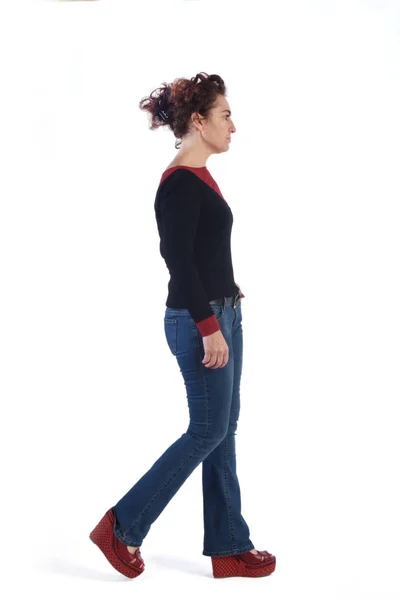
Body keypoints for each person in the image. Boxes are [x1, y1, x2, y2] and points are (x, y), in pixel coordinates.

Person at [89, 72, 276, 579]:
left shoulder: (200, 177)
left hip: (220, 314)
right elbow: (176, 259)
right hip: (200, 324)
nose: (233, 127)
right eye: (225, 115)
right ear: (199, 121)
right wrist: (209, 323)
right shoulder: (179, 182)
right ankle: (121, 526)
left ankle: (229, 544)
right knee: (206, 430)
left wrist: (227, 292)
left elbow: (201, 250)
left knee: (222, 432)